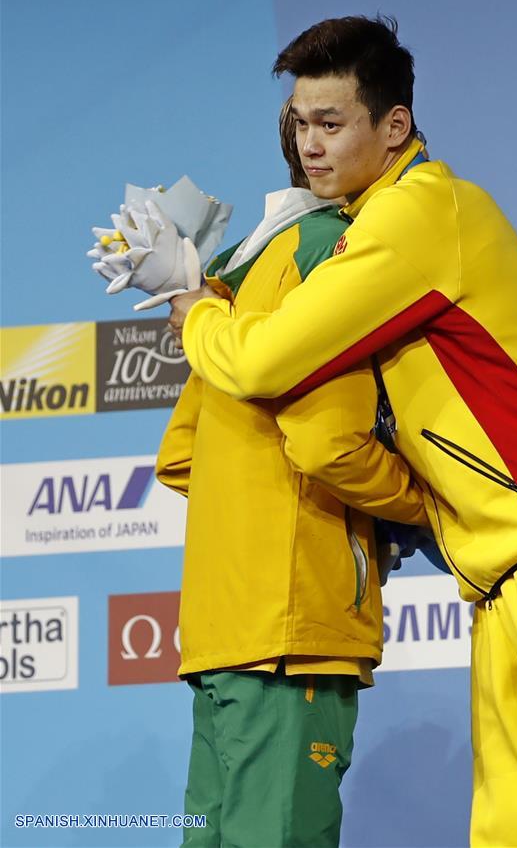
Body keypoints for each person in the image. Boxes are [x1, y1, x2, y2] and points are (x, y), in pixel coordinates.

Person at [168, 17, 517, 846]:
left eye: (332, 123)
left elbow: (263, 361)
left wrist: (194, 307)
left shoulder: (420, 211)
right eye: (300, 124)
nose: (311, 146)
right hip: (501, 570)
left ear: (395, 126)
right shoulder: (368, 226)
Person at [157, 98, 428, 848]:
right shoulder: (330, 254)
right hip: (292, 624)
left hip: (217, 629)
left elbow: (181, 457)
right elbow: (328, 446)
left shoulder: (227, 288)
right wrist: (424, 506)